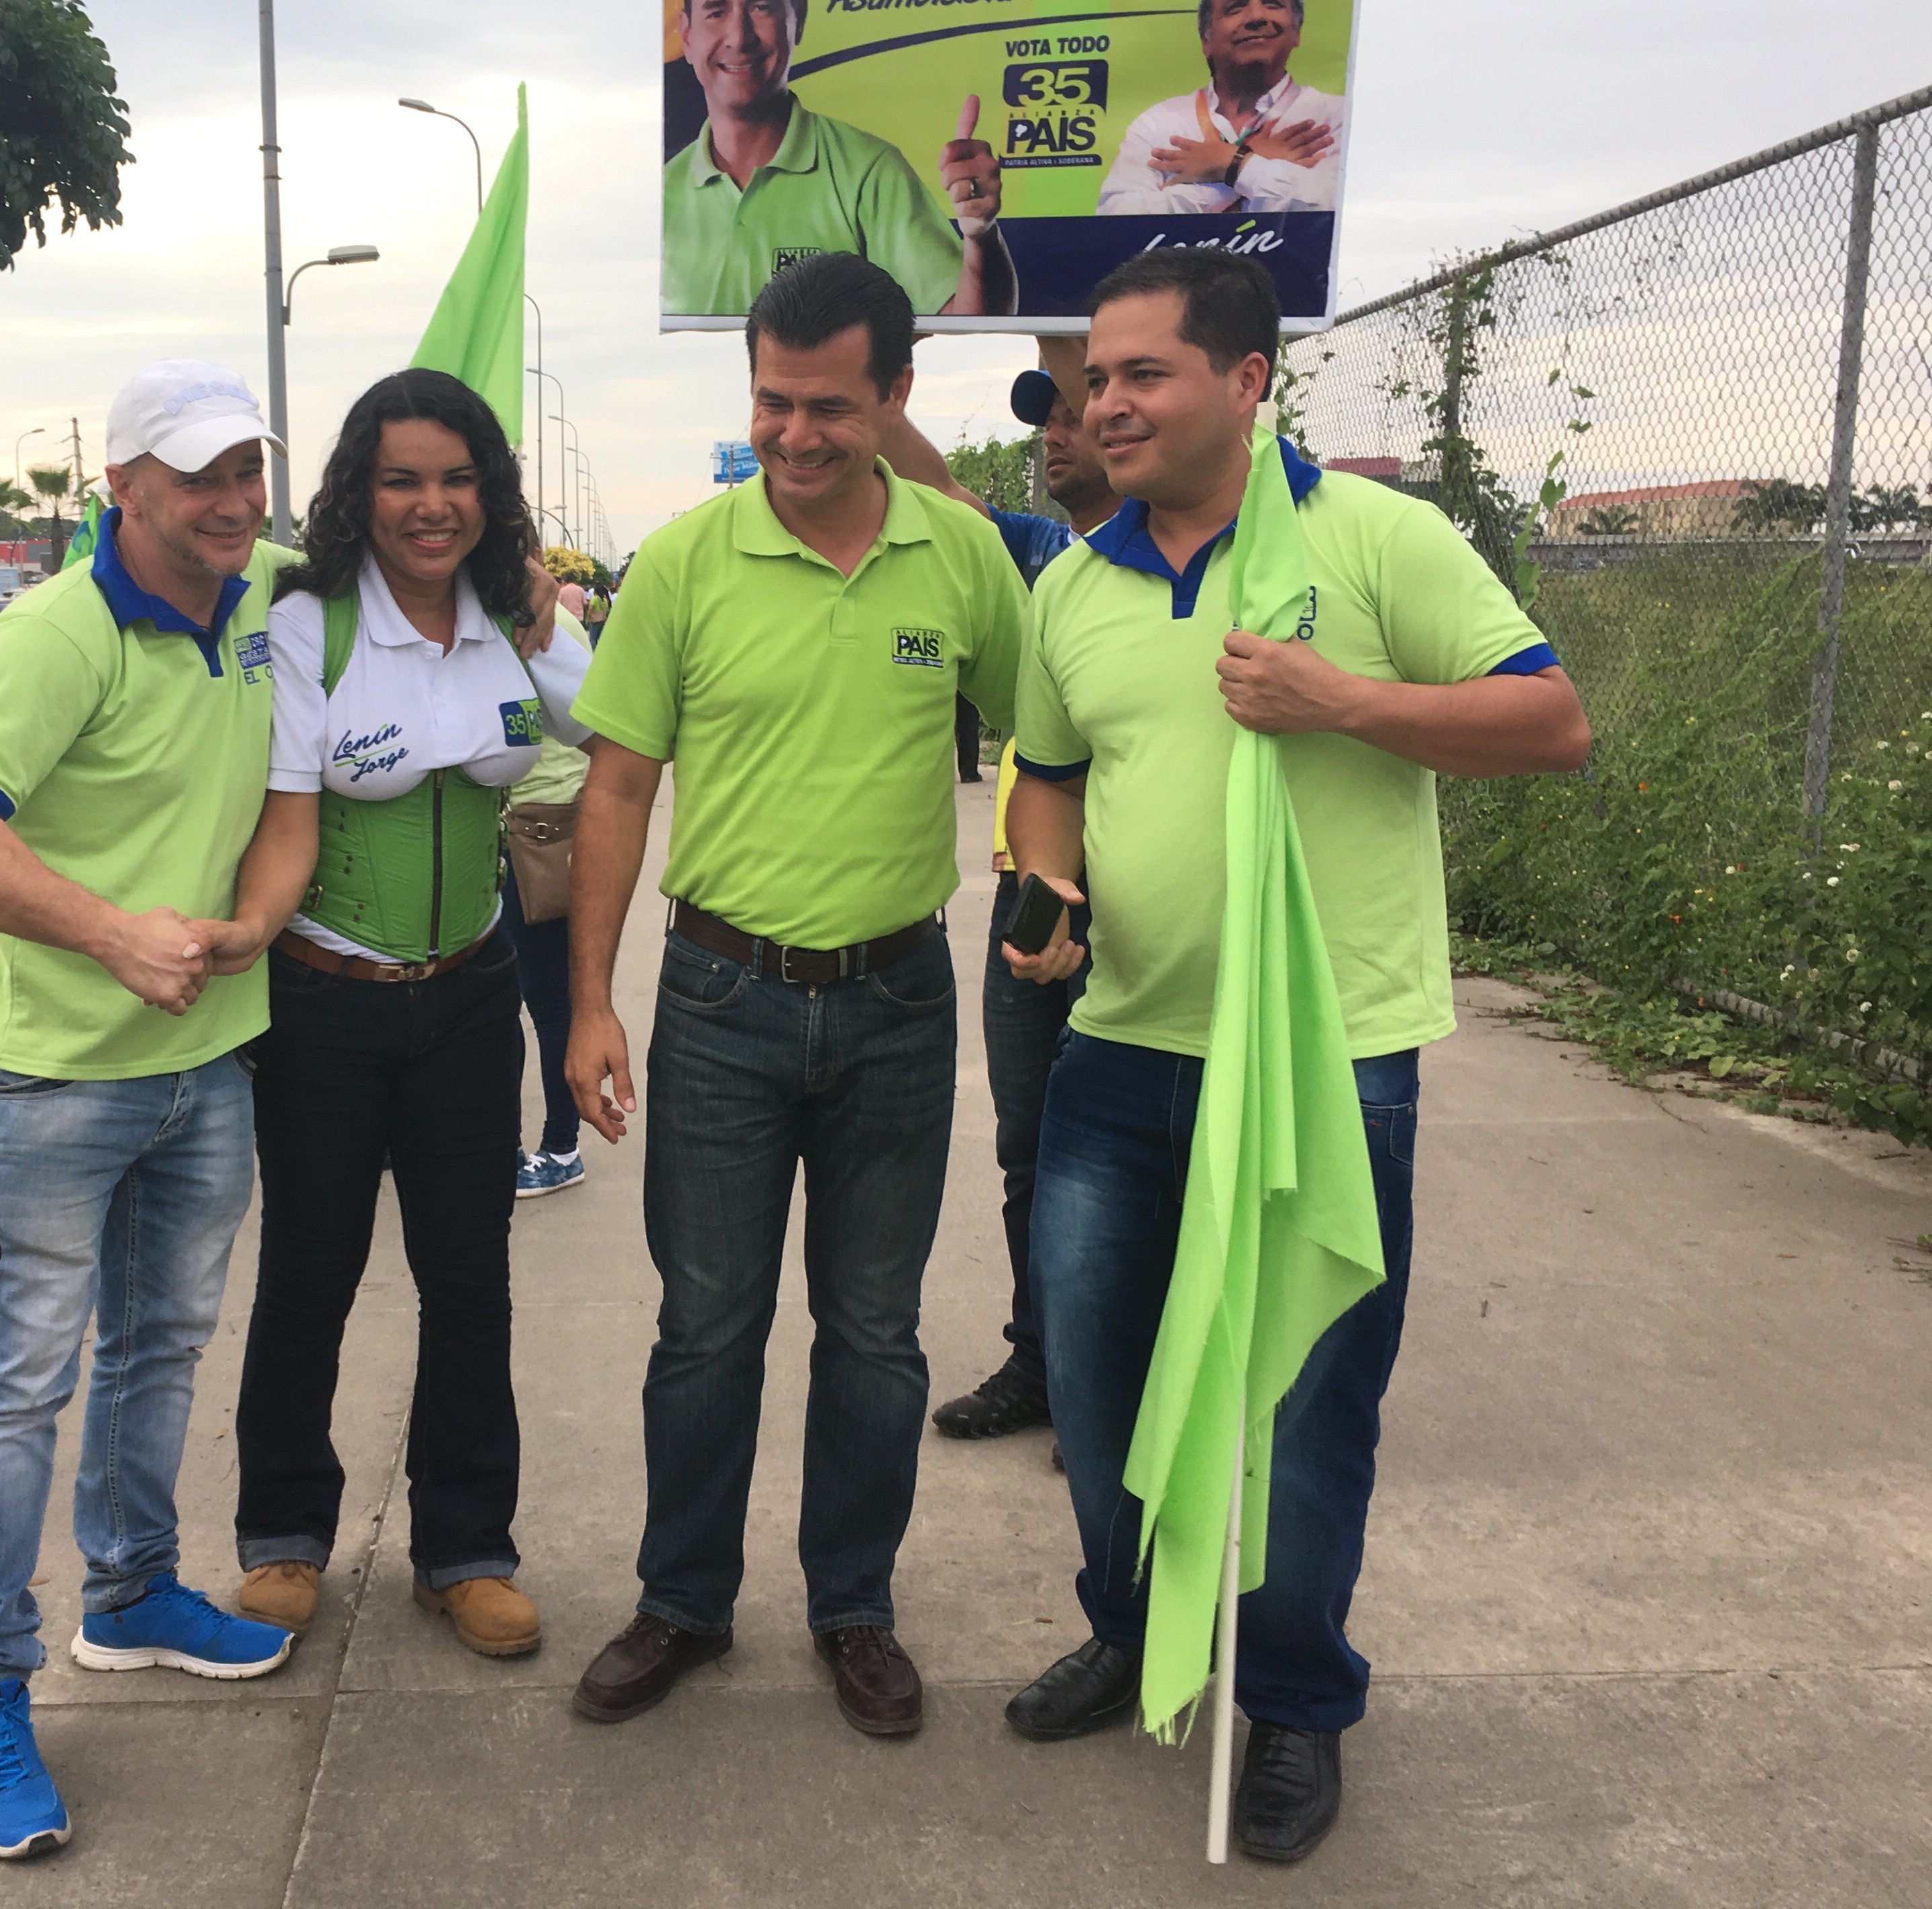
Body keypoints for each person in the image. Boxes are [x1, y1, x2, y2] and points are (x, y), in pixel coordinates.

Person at [999, 248, 1587, 1860]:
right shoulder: (1074, 585)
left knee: (1312, 1398)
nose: (1104, 407)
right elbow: (1049, 775)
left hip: (1334, 1055)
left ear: (1247, 380)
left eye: (1142, 375)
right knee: (1099, 1380)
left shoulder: (1376, 539)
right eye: (1094, 382)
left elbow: (1552, 722)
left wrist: (1344, 701)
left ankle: (1297, 1703)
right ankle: (1136, 1631)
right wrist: (1048, 886)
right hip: (1124, 1049)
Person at [563, 253, 1026, 1738]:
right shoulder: (684, 565)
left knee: (875, 1333)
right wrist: (591, 1000)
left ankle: (853, 1607)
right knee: (706, 1326)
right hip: (720, 1000)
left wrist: (1062, 882)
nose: (795, 432)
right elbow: (617, 787)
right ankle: (683, 1600)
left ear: (896, 396)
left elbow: (1052, 732)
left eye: (830, 405)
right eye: (772, 400)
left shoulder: (962, 560)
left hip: (898, 1002)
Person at [0, 360, 299, 1863]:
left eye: (248, 470)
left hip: (208, 1063)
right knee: (16, 1383)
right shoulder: (58, 633)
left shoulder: (266, 598)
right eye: (200, 478)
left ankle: (129, 1594)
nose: (234, 502)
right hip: (53, 1078)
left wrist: (252, 919)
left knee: (161, 1347)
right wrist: (113, 932)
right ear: (121, 487)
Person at [205, 369, 593, 1660]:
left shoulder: (509, 616)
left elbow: (614, 725)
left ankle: (465, 1549)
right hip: (325, 998)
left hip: (473, 994)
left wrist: (542, 611)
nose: (432, 505)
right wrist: (241, 939)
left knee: (469, 1280)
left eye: (457, 478)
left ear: (491, 491)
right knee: (309, 1271)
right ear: (358, 493)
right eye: (402, 479)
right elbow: (285, 814)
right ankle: (282, 1532)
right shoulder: (309, 622)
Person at [879, 364, 1119, 1450]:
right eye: (1048, 419)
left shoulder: (1207, 562)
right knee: (1029, 1143)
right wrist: (886, 350)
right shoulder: (1034, 555)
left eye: (1075, 415)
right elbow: (938, 487)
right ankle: (1046, 1362)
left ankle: (1119, 1380)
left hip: (1143, 898)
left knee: (1132, 1148)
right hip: (1032, 889)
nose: (1055, 435)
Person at [661, 0, 1014, 318]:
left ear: (799, 16)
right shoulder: (663, 195)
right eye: (717, 12)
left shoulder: (870, 174)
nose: (739, 36)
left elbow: (968, 323)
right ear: (687, 35)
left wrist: (980, 235)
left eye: (761, 7)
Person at [1097, 0, 1343, 216]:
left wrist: (1232, 163)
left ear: (1296, 30)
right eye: (1235, 8)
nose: (1257, 16)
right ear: (1206, 39)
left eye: (1272, 3)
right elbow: (1117, 219)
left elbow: (1336, 210)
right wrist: (1240, 169)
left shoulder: (1335, 117)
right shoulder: (1159, 124)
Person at [506, 588, 597, 1200]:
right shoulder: (557, 615)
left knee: (545, 999)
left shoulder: (534, 618)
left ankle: (561, 1147)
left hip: (536, 828)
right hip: (540, 821)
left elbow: (588, 722)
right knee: (532, 998)